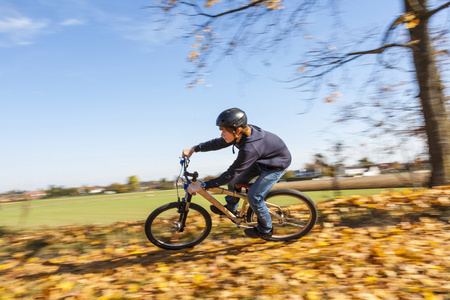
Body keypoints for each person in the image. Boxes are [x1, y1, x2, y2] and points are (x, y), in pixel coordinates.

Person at [182, 108, 291, 240]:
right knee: (234, 182)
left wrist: (203, 185)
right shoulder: (241, 133)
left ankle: (266, 229)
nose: (222, 133)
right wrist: (194, 149)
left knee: (254, 196)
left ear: (237, 130)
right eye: (221, 130)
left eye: (224, 130)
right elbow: (218, 142)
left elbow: (231, 173)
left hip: (275, 165)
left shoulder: (250, 148)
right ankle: (232, 208)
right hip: (261, 160)